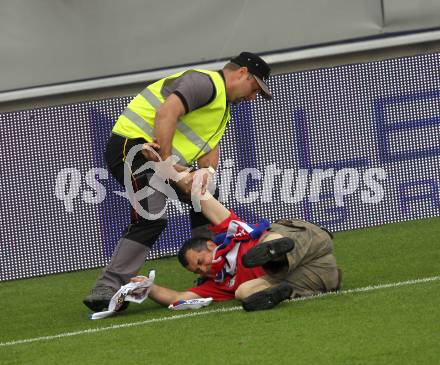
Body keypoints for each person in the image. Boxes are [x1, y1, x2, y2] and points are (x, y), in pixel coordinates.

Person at [83, 51, 273, 312]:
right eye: (255, 88)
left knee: (206, 197)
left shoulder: (222, 105)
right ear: (242, 73)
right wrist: (167, 164)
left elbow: (208, 146)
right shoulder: (204, 83)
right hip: (135, 149)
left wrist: (207, 174)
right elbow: (166, 114)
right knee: (153, 216)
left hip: (159, 157)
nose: (253, 97)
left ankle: (213, 271)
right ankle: (107, 286)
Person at [134, 185, 342, 312]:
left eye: (200, 262)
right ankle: (274, 293)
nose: (203, 270)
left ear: (210, 244)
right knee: (243, 292)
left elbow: (203, 197)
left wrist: (172, 169)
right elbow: (178, 299)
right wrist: (148, 288)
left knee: (271, 236)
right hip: (320, 272)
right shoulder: (217, 284)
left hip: (309, 241)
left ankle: (272, 251)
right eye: (197, 271)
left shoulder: (232, 233)